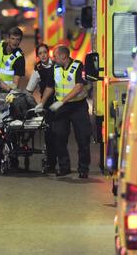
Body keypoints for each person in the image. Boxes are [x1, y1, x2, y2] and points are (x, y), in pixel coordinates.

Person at [39, 45, 92, 178]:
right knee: (58, 135)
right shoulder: (55, 69)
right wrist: (41, 103)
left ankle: (83, 168)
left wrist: (62, 101)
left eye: (55, 56)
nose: (53, 58)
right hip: (62, 108)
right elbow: (50, 87)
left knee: (83, 137)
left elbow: (79, 87)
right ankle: (64, 166)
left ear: (63, 56)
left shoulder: (78, 66)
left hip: (78, 107)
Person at [26, 43, 57, 173]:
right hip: (48, 104)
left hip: (60, 102)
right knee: (49, 134)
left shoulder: (57, 65)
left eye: (45, 52)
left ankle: (62, 163)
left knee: (59, 134)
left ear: (48, 53)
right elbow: (29, 89)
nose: (43, 55)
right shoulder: (37, 69)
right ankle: (51, 164)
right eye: (40, 53)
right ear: (37, 55)